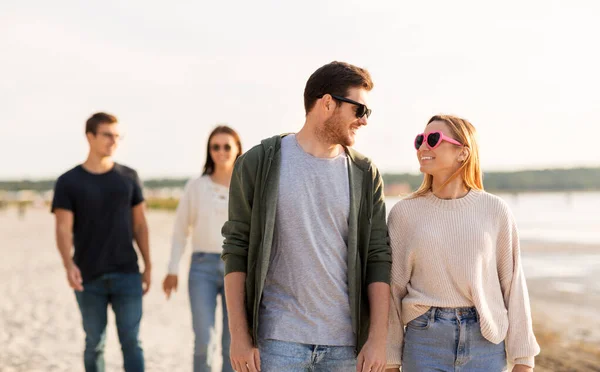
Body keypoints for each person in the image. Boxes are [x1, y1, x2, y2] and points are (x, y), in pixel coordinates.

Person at [221, 61, 392, 372]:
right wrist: (239, 336)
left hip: (346, 347)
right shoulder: (258, 163)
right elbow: (236, 249)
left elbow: (378, 256)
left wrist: (378, 339)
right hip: (276, 342)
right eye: (360, 110)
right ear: (327, 103)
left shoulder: (365, 173)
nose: (364, 121)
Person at [385, 115, 540, 372]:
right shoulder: (404, 213)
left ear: (463, 152)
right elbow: (392, 290)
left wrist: (523, 358)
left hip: (485, 341)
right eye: (420, 140)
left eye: (433, 139)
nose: (423, 147)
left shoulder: (495, 210)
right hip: (424, 341)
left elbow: (513, 285)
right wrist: (390, 358)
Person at [52, 112, 151, 372]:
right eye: (108, 135)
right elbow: (63, 229)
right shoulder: (68, 181)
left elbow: (140, 225)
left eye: (117, 136)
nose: (114, 141)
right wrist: (68, 264)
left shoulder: (129, 177)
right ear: (90, 136)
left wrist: (148, 265)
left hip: (128, 274)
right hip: (88, 276)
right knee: (94, 342)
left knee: (132, 342)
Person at [162, 125, 242, 372]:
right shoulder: (196, 187)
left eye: (227, 146)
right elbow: (180, 231)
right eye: (215, 147)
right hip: (202, 269)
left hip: (238, 270)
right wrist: (172, 269)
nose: (221, 152)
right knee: (204, 341)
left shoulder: (248, 187)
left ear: (238, 148)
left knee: (234, 341)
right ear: (209, 151)